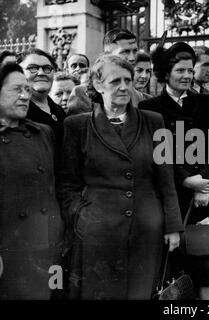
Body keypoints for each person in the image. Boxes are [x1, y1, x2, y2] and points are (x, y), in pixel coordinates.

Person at [57, 54, 183, 300]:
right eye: (116, 81)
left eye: (128, 80)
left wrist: (172, 226)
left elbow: (166, 179)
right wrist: (81, 215)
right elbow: (67, 183)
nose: (124, 87)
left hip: (146, 228)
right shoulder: (77, 126)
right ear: (98, 85)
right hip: (97, 231)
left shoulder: (154, 122)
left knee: (140, 293)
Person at [139, 41, 209, 300]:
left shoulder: (205, 104)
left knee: (204, 262)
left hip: (201, 198)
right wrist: (187, 181)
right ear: (165, 74)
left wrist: (205, 185)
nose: (187, 76)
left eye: (190, 70)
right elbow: (153, 156)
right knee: (168, 267)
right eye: (180, 71)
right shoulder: (149, 108)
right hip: (166, 195)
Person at [0, 63, 64, 299]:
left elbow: (56, 184)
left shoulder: (43, 132)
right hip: (9, 249)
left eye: (27, 89)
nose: (25, 95)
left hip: (46, 245)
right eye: (17, 89)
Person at [67, 29, 142, 115]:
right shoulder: (82, 93)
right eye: (125, 52)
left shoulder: (138, 96)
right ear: (107, 54)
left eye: (135, 51)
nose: (132, 58)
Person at [18, 48, 66, 149]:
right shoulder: (14, 111)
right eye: (32, 68)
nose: (41, 73)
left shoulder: (60, 112)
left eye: (47, 68)